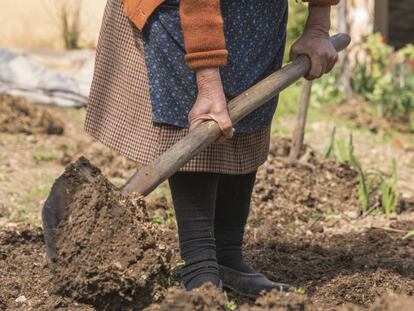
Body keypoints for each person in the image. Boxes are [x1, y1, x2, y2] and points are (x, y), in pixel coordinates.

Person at [85, 0, 340, 297]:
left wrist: (318, 24)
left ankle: (227, 256)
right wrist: (206, 79)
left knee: (250, 96)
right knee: (192, 106)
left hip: (257, 11)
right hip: (182, 7)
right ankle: (199, 262)